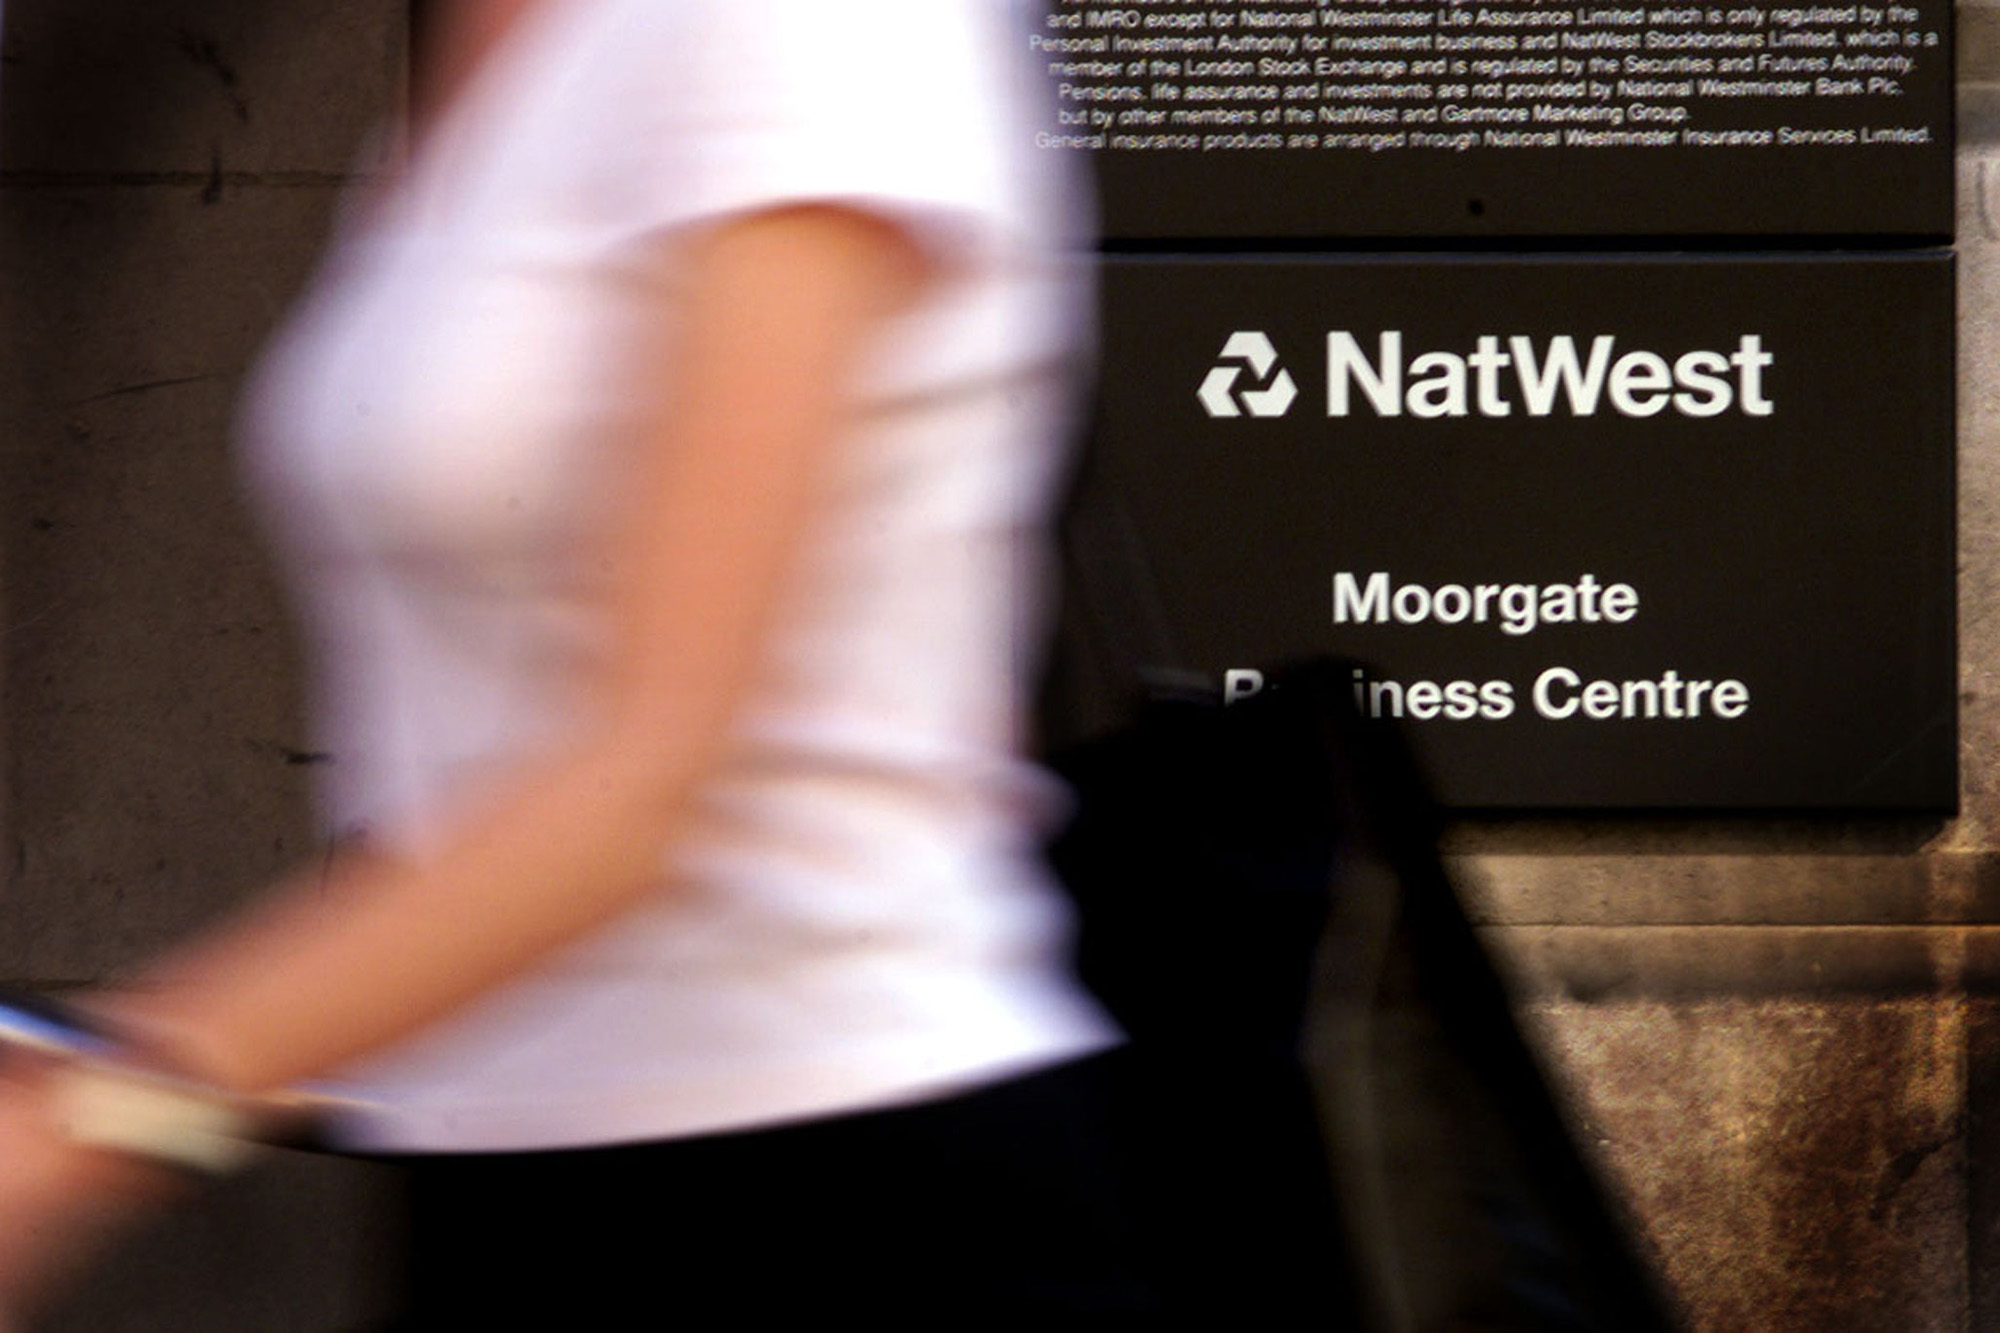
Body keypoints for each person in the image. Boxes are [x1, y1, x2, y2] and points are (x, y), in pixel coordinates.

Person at [0, 0, 1132, 1322]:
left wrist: (87, 1124)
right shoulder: (520, 41)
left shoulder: (805, 32)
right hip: (505, 1169)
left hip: (836, 1196)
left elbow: (656, 777)